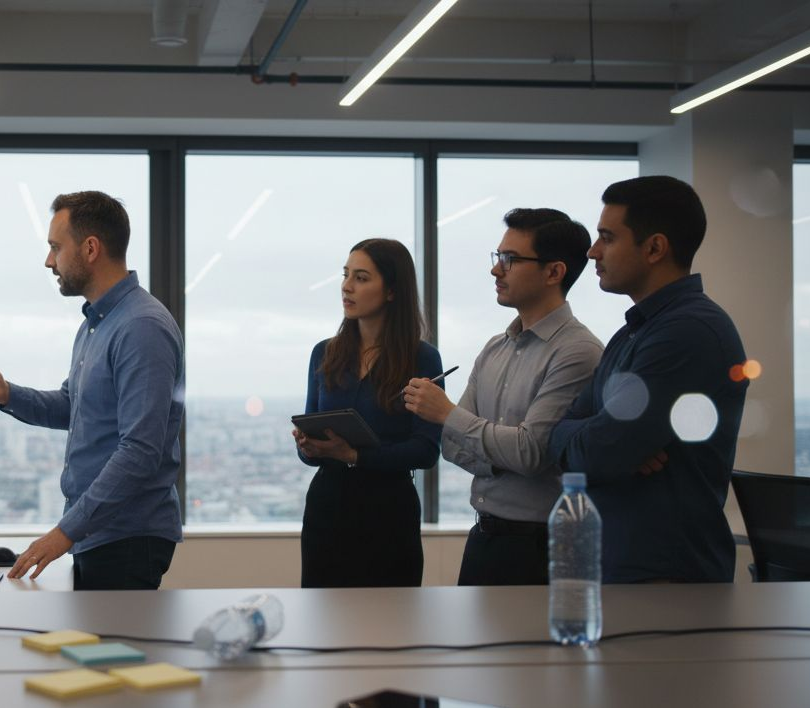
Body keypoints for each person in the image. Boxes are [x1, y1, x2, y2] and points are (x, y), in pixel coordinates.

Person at [0, 191, 183, 590]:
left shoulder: (140, 327)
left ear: (90, 248)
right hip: (101, 534)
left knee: (116, 651)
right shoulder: (98, 324)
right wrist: (6, 393)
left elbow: (141, 450)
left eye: (56, 247)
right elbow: (73, 406)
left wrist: (64, 532)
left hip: (126, 538)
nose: (49, 261)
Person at [547, 175, 748, 583]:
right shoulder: (636, 331)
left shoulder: (688, 333)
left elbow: (600, 453)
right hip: (621, 568)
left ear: (654, 247)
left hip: (666, 580)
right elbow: (560, 436)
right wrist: (595, 437)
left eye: (607, 237)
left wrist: (600, 441)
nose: (592, 251)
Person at [403, 209, 602, 586]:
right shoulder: (495, 347)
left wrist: (448, 414)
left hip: (540, 547)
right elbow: (451, 447)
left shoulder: (577, 351)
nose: (497, 270)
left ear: (554, 272)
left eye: (509, 260)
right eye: (498, 258)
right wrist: (500, 454)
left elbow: (529, 452)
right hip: (484, 537)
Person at [293, 238, 443, 588]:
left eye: (361, 278)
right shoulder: (324, 353)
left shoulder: (422, 358)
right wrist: (309, 447)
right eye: (346, 275)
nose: (347, 287)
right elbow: (311, 449)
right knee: (324, 621)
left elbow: (426, 450)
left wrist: (355, 455)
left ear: (391, 291)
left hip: (389, 510)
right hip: (327, 505)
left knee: (392, 625)